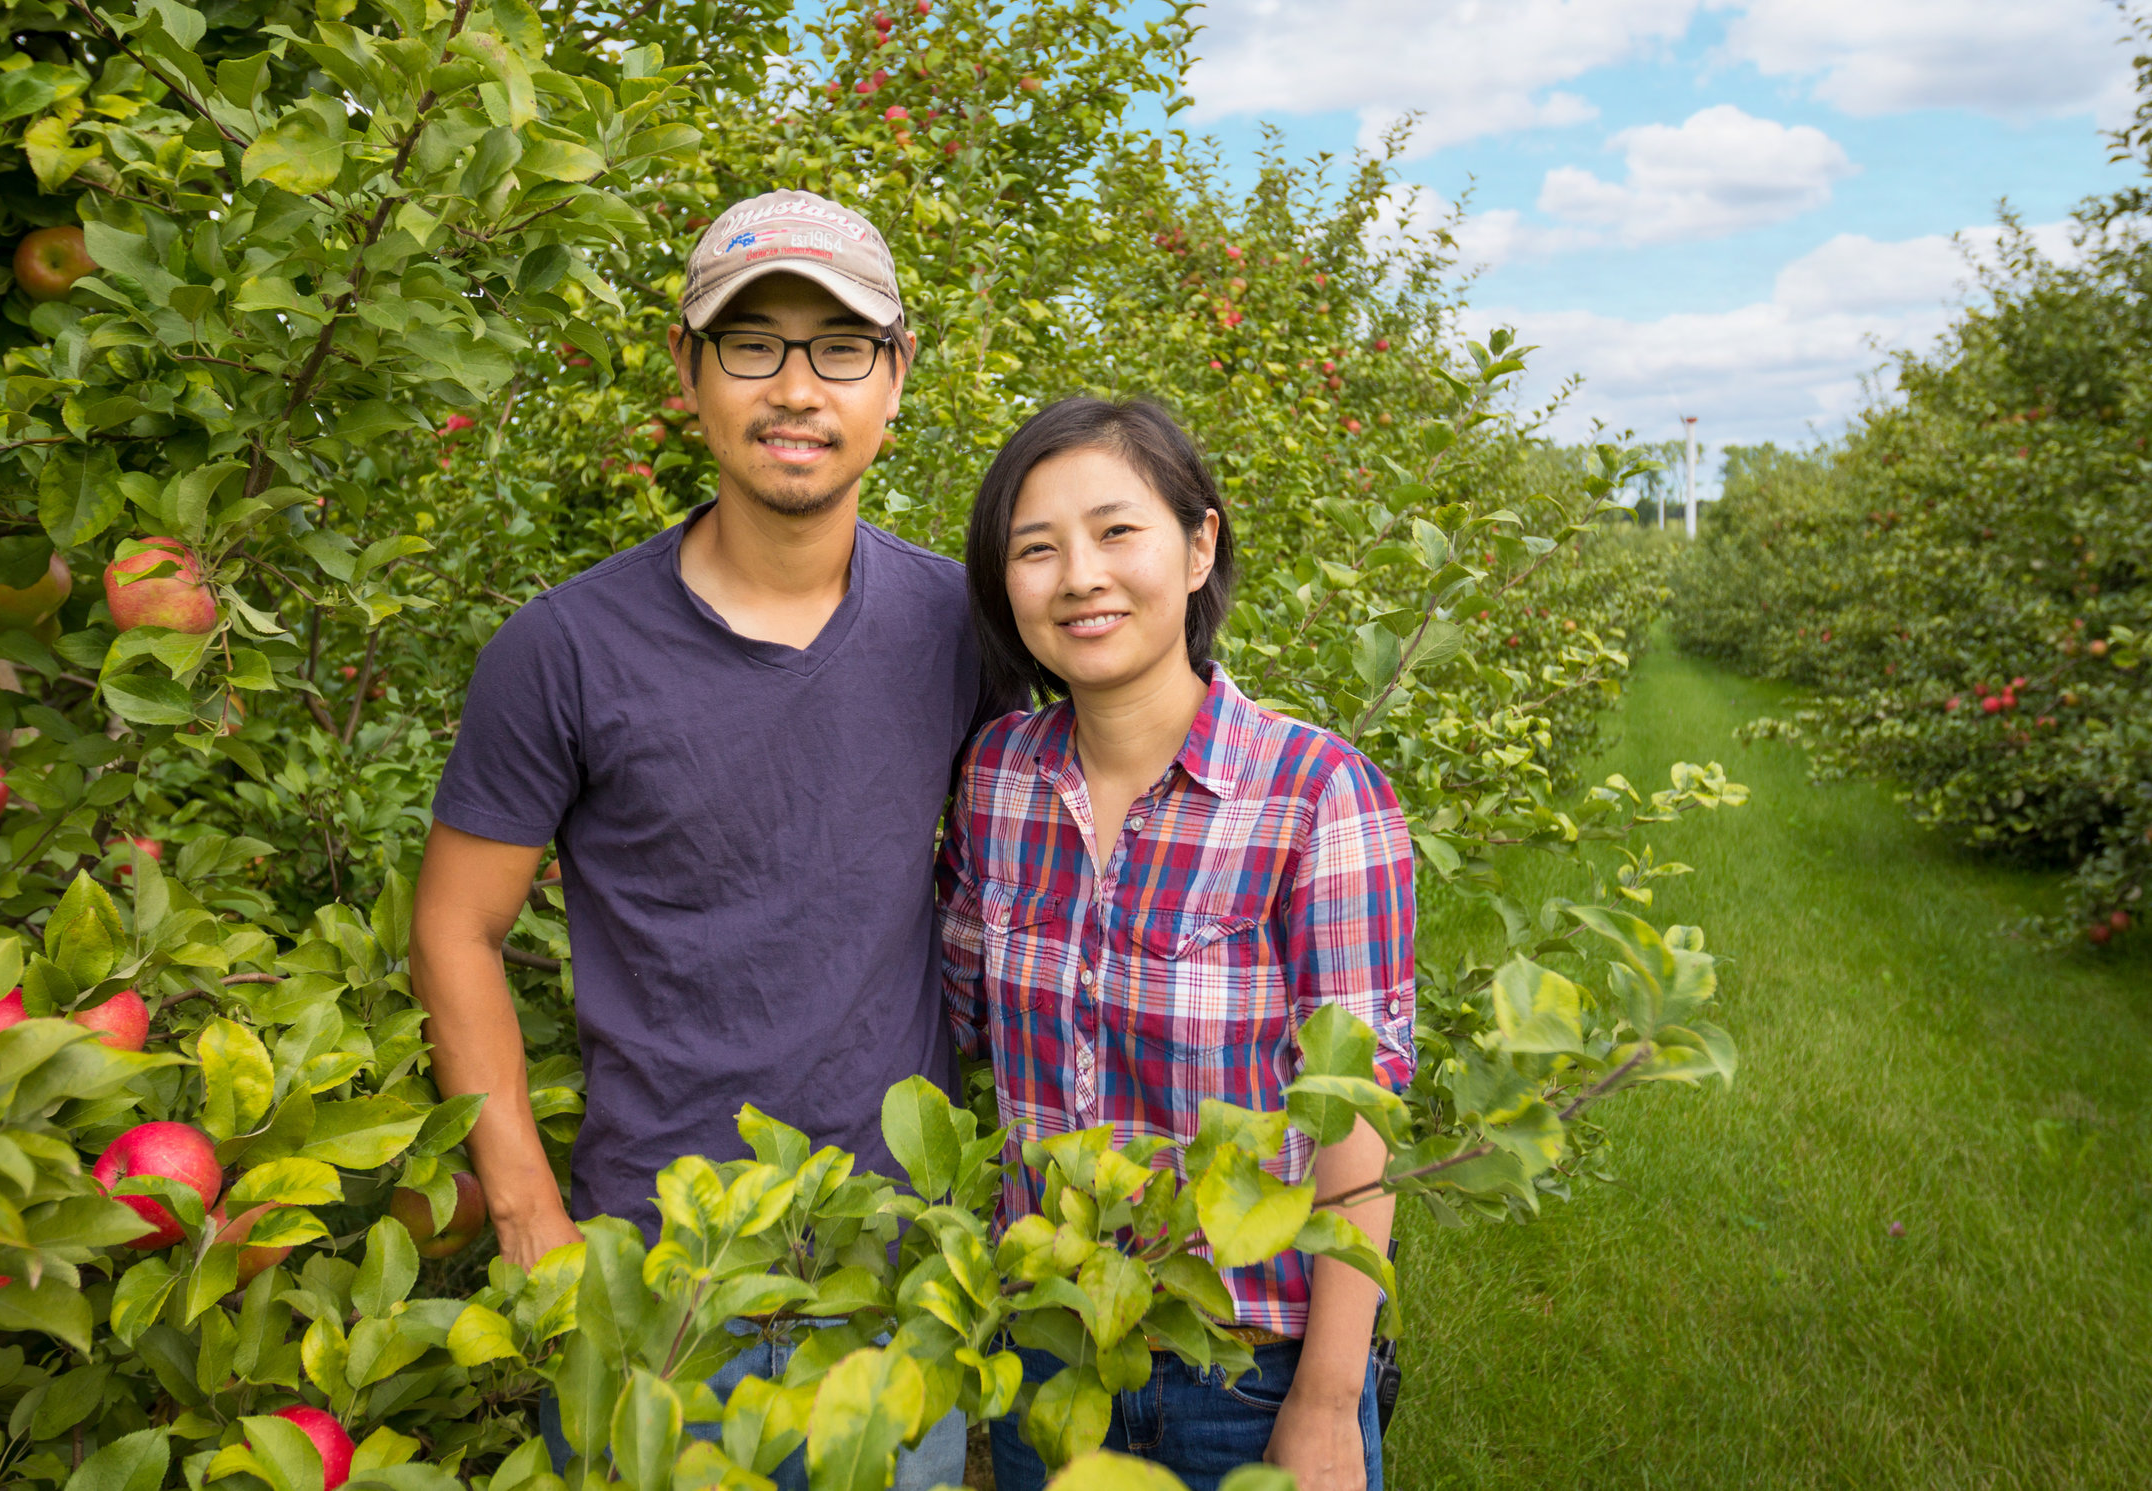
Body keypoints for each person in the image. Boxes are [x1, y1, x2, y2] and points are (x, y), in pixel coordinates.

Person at [411, 190, 990, 1489]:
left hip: (891, 1282)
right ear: (688, 372)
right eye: (753, 342)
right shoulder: (560, 651)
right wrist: (526, 1215)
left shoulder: (963, 627)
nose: (796, 385)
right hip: (651, 1285)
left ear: (895, 378)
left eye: (841, 345)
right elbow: (457, 923)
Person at [938, 397, 1416, 1491]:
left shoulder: (1314, 792)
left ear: (1198, 546)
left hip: (1243, 1377)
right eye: (1035, 547)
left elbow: (1356, 1120)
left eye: (1117, 532)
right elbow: (948, 1013)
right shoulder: (998, 779)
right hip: (1054, 1355)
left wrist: (1328, 1398)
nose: (1078, 576)